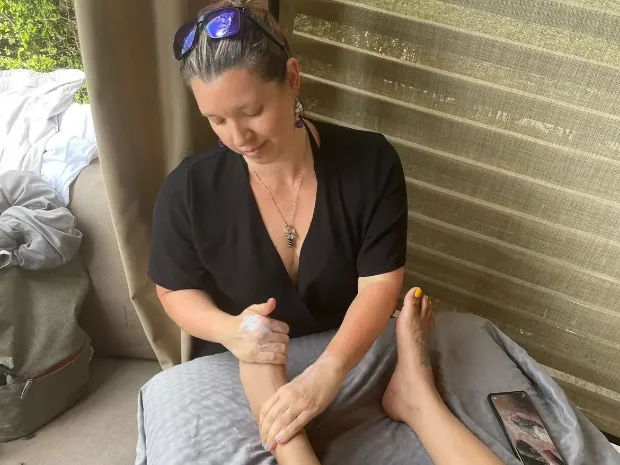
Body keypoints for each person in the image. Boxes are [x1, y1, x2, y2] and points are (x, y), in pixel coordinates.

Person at [147, 1, 504, 464]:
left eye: (252, 111)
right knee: (260, 352)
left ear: (292, 79)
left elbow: (379, 285)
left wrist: (327, 373)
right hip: (249, 355)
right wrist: (230, 329)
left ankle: (412, 392)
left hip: (348, 347)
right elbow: (173, 289)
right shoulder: (188, 189)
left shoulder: (370, 164)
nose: (238, 138)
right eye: (216, 120)